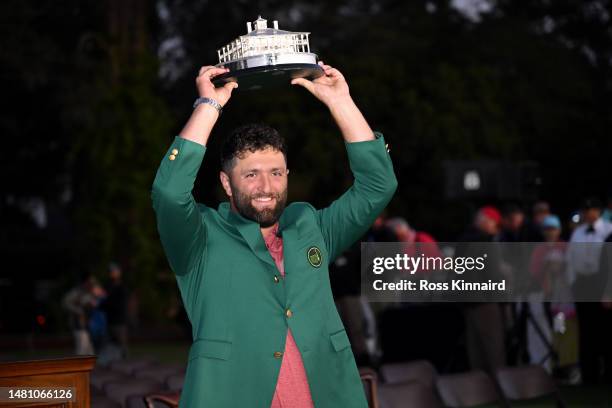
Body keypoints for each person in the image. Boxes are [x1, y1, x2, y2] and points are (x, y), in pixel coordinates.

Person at [151, 62, 397, 407]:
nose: (266, 187)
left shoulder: (311, 226)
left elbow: (378, 186)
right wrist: (208, 106)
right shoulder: (198, 237)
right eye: (251, 174)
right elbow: (169, 194)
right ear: (226, 183)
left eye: (276, 173)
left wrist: (341, 102)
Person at [567, 198, 612, 384]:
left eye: (591, 210)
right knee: (586, 331)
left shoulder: (608, 230)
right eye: (585, 210)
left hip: (600, 282)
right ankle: (589, 374)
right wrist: (573, 283)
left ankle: (607, 373)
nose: (587, 213)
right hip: (582, 283)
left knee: (606, 330)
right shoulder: (577, 232)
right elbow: (570, 259)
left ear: (598, 211)